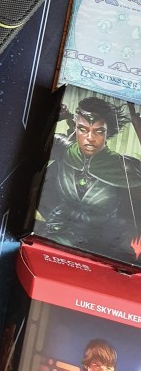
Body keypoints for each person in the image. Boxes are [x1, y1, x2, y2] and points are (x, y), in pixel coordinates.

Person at [36, 95, 141, 260]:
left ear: (108, 132)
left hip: (101, 244)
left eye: (99, 131)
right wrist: (54, 117)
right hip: (56, 230)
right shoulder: (63, 148)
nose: (90, 138)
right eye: (83, 129)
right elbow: (30, 146)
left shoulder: (122, 166)